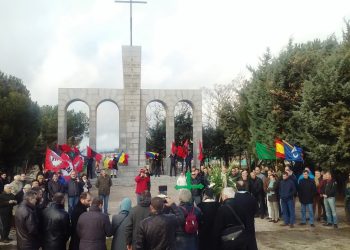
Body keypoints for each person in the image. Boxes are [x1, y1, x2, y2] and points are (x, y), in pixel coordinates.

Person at [213, 184, 258, 250]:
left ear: (225, 196)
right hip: (242, 239)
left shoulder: (222, 209)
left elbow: (218, 228)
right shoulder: (242, 205)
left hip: (229, 241)